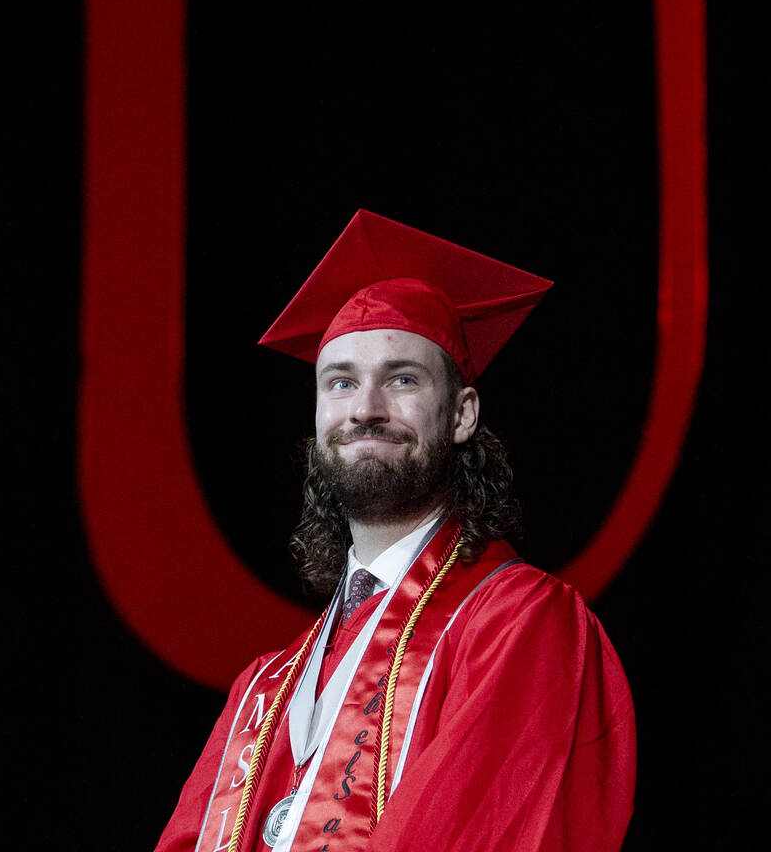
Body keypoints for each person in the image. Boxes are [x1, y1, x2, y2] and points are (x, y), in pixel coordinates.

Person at [155, 210, 636, 852]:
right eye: (342, 382)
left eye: (402, 380)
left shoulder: (522, 626)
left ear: (462, 413)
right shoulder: (265, 688)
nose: (365, 409)